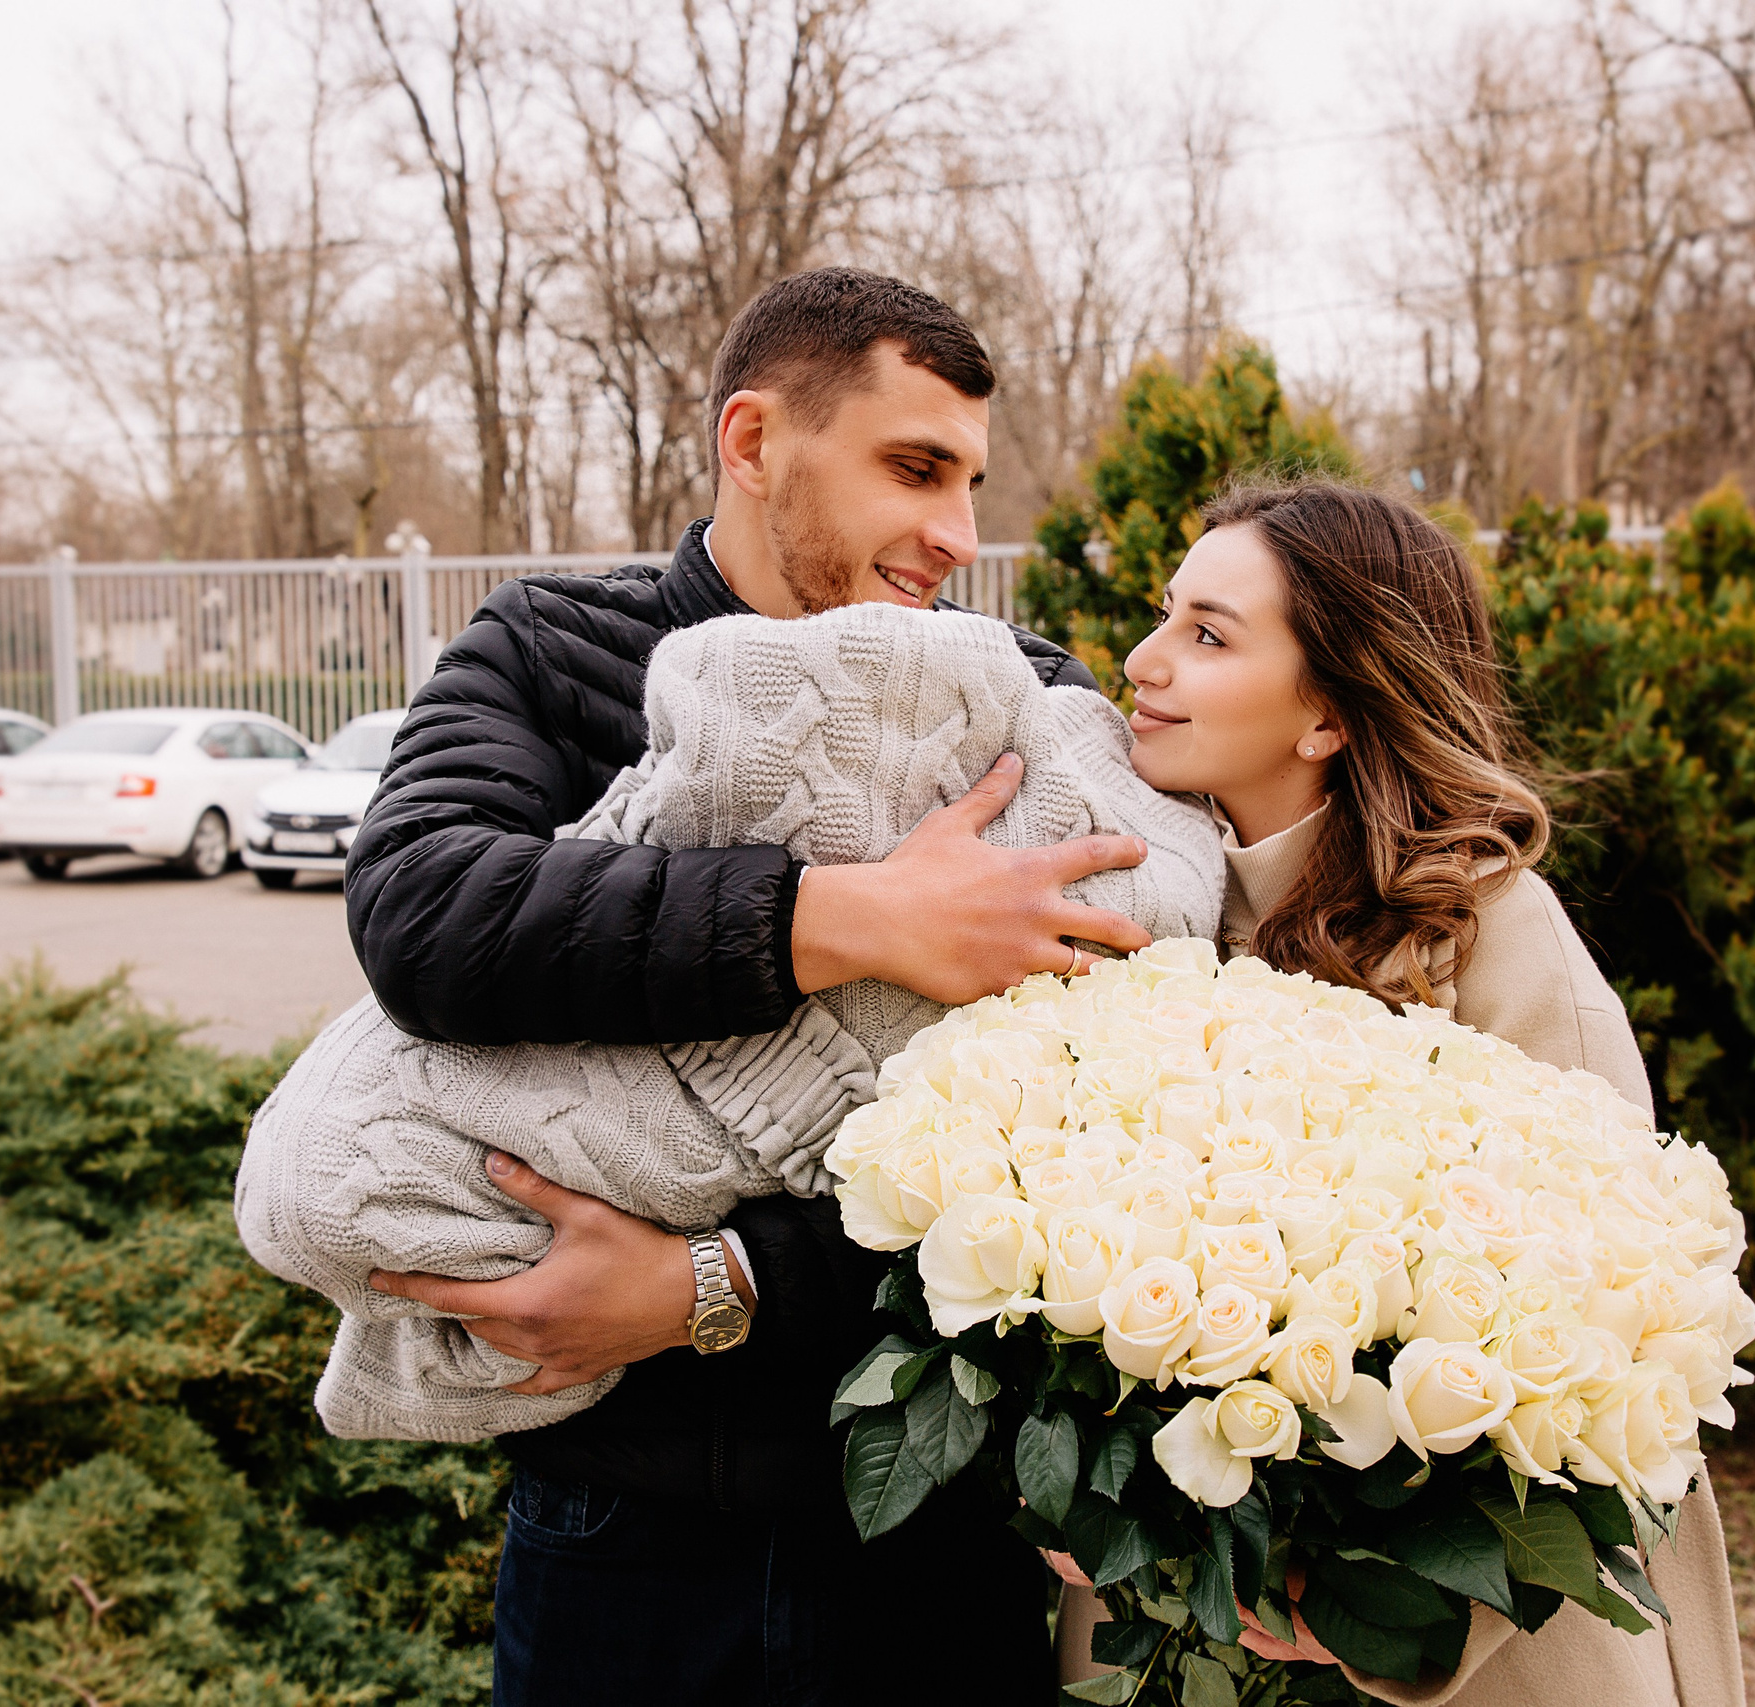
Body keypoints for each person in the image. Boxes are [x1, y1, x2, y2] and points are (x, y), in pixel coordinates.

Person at [341, 268, 1153, 1707]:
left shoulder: (1023, 698)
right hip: (620, 1551)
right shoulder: (552, 647)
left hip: (937, 1550)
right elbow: (424, 915)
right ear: (755, 439)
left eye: (969, 483)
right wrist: (835, 918)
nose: (958, 533)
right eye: (915, 469)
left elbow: (1091, 1137)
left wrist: (717, 1286)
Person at [1053, 477, 1748, 1707]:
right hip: (1163, 1627)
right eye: (1164, 615)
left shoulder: (1495, 937)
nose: (1144, 661)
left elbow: (1622, 1335)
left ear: (1327, 711)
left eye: (1207, 635)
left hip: (1464, 1651)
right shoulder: (1139, 911)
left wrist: (1385, 1610)